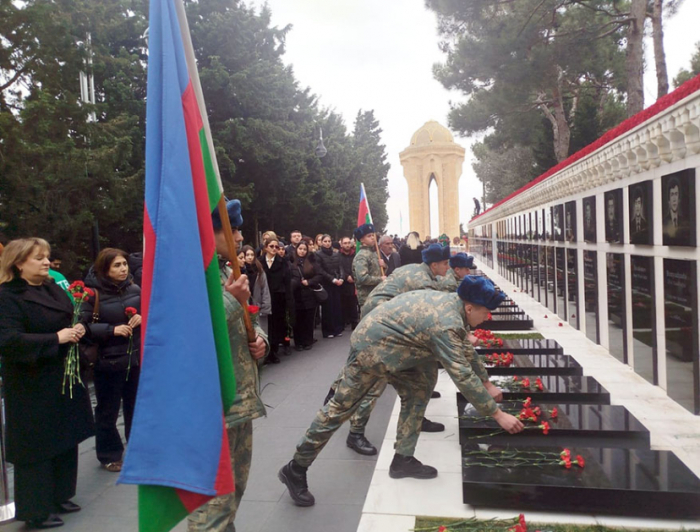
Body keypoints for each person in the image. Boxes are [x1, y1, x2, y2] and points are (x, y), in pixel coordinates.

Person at [278, 277, 523, 507]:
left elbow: (464, 350)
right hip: (372, 349)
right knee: (339, 410)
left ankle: (403, 458)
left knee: (420, 387)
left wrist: (488, 383)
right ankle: (296, 468)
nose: (488, 317)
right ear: (470, 308)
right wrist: (497, 415)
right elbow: (461, 373)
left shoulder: (453, 307)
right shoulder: (446, 322)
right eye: (485, 311)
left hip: (398, 346)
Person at [0, 238, 94, 528]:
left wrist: (81, 326)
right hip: (32, 383)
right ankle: (36, 509)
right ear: (18, 263)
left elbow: (78, 313)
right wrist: (56, 338)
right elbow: (8, 340)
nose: (46, 262)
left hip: (62, 378)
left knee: (65, 438)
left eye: (47, 257)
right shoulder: (8, 296)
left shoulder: (53, 288)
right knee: (37, 447)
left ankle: (60, 494)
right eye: (38, 258)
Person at [187, 199, 268, 532]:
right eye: (231, 230)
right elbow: (187, 331)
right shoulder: (189, 270)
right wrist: (231, 300)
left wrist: (260, 338)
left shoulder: (224, 268)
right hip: (211, 403)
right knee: (212, 499)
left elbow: (246, 316)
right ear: (210, 232)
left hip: (238, 398)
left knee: (234, 488)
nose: (239, 238)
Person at [81, 248, 141, 473]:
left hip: (134, 359)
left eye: (124, 264)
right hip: (107, 362)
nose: (123, 269)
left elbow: (150, 316)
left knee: (135, 407)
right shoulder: (92, 295)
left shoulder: (135, 289)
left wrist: (141, 317)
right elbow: (81, 326)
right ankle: (109, 454)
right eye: (117, 265)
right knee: (108, 410)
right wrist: (112, 330)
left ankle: (137, 449)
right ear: (104, 268)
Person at [362, 243, 451, 316]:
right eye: (445, 264)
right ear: (434, 265)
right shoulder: (422, 280)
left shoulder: (416, 268)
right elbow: (429, 312)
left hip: (375, 309)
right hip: (377, 313)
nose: (448, 267)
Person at [261, 237, 292, 363]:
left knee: (276, 324)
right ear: (265, 247)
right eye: (271, 246)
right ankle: (265, 352)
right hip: (264, 297)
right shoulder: (259, 262)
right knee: (265, 324)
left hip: (278, 298)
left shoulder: (283, 262)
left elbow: (287, 281)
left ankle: (273, 351)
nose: (274, 249)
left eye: (277, 247)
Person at [289, 241, 323, 351]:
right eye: (300, 249)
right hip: (296, 295)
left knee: (308, 320)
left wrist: (309, 282)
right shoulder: (291, 262)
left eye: (304, 249)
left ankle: (308, 341)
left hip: (309, 294)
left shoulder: (312, 262)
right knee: (298, 320)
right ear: (296, 249)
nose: (302, 251)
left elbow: (319, 275)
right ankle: (298, 342)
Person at [315, 234, 344, 338]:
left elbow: (340, 267)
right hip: (326, 283)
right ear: (321, 242)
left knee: (337, 306)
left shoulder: (336, 253)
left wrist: (341, 277)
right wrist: (332, 279)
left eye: (329, 241)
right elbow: (320, 270)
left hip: (337, 283)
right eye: (325, 241)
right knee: (328, 307)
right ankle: (328, 330)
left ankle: (338, 328)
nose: (327, 243)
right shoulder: (317, 254)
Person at [352, 223, 386, 311]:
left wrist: (384, 266)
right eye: (369, 236)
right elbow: (362, 278)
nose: (372, 238)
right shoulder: (361, 256)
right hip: (367, 298)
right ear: (362, 240)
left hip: (377, 295)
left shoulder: (374, 253)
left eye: (373, 235)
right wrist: (380, 279)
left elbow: (380, 272)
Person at [242, 244, 271, 316]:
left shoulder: (259, 271)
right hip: (244, 308)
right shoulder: (239, 271)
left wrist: (265, 309)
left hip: (258, 307)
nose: (250, 257)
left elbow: (265, 290)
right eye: (247, 255)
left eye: (252, 255)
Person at [338, 236, 359, 330]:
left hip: (354, 281)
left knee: (353, 303)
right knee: (343, 303)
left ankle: (354, 322)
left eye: (348, 243)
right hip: (343, 282)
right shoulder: (338, 255)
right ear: (341, 244)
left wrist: (353, 276)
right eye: (345, 243)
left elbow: (358, 267)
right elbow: (338, 267)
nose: (347, 245)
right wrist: (346, 276)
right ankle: (343, 322)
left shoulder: (355, 254)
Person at [663, 175, 691, 245]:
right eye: (672, 194)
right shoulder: (664, 222)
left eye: (676, 194)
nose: (674, 199)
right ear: (669, 199)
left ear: (679, 197)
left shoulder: (684, 221)